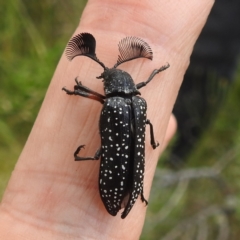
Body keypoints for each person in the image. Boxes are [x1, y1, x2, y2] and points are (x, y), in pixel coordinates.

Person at [0, 0, 214, 239]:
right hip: (127, 169)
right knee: (143, 139)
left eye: (105, 78)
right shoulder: (138, 101)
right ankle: (137, 189)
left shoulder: (114, 103)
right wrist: (157, 70)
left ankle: (129, 186)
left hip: (114, 174)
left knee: (123, 147)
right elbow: (140, 127)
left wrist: (77, 90)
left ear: (110, 84)